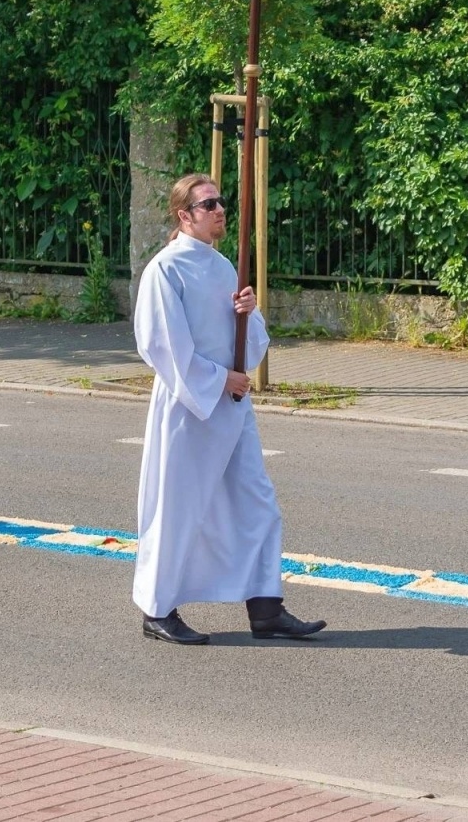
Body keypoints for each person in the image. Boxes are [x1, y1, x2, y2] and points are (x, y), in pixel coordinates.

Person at [132, 173, 326, 645]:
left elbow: (250, 342)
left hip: (232, 405)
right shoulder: (165, 270)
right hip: (188, 407)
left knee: (256, 502)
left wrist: (248, 311)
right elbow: (161, 344)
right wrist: (220, 379)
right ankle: (157, 610)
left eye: (221, 202)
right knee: (178, 508)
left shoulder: (223, 266)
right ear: (184, 215)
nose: (220, 210)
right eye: (209, 204)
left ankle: (266, 608)